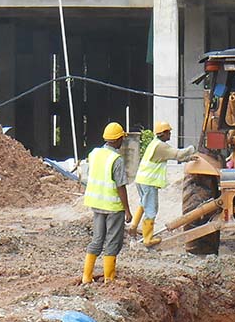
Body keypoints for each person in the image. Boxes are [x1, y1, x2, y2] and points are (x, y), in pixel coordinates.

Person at [81, 121, 132, 283]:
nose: (122, 141)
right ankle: (109, 280)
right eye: (122, 138)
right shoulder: (116, 159)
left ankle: (86, 277)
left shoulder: (94, 154)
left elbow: (89, 176)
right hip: (113, 207)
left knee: (97, 240)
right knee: (112, 242)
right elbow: (120, 187)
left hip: (96, 204)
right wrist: (127, 210)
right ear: (117, 140)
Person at [133, 121, 196, 247]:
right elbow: (178, 154)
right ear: (163, 133)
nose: (170, 134)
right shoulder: (161, 147)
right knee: (151, 209)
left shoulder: (154, 144)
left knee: (143, 203)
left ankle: (133, 226)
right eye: (169, 132)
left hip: (141, 179)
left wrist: (189, 158)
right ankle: (148, 239)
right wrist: (192, 149)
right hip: (148, 182)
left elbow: (176, 157)